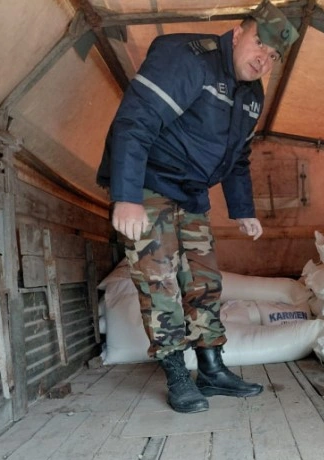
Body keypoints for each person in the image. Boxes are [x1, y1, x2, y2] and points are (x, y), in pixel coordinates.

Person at [96, 1, 299, 413]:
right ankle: (176, 374)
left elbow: (238, 158)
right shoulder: (189, 58)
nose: (263, 58)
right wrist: (127, 196)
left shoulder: (252, 95)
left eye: (273, 55)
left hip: (191, 193)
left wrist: (243, 210)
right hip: (150, 183)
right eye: (259, 44)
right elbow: (135, 121)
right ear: (237, 34)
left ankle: (211, 368)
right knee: (159, 280)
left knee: (205, 280)